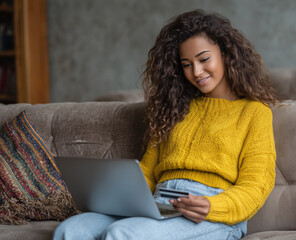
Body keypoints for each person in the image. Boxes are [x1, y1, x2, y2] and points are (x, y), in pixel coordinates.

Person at [53, 9, 279, 240]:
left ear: (226, 53)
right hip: (159, 205)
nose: (196, 72)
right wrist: (116, 193)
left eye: (203, 59)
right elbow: (148, 172)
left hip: (213, 215)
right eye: (186, 64)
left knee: (121, 234)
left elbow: (256, 185)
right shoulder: (176, 108)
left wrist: (213, 205)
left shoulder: (254, 112)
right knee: (70, 230)